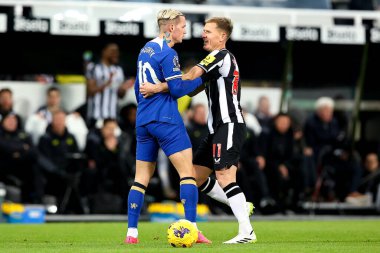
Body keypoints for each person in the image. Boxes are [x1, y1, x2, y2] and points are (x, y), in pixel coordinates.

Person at [141, 17, 256, 244]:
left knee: (224, 175)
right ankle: (241, 204)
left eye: (208, 31)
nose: (203, 34)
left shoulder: (220, 55)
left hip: (229, 123)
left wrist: (157, 86)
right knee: (194, 177)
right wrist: (169, 88)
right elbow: (190, 88)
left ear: (222, 36)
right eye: (203, 30)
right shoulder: (215, 64)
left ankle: (247, 232)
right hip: (216, 129)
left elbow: (191, 75)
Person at [124, 9, 210, 244]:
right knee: (187, 174)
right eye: (183, 26)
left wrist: (158, 88)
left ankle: (132, 234)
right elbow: (178, 90)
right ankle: (192, 229)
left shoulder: (146, 49)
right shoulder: (168, 52)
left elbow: (138, 87)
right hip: (166, 119)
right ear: (171, 28)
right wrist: (203, 77)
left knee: (140, 178)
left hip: (143, 121)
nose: (185, 30)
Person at [85, 43, 134, 128]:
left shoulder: (118, 70)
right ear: (104, 52)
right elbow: (89, 91)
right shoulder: (93, 68)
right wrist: (106, 84)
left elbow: (121, 96)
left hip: (112, 117)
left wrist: (123, 88)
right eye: (112, 51)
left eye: (117, 51)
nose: (116, 53)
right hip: (96, 116)